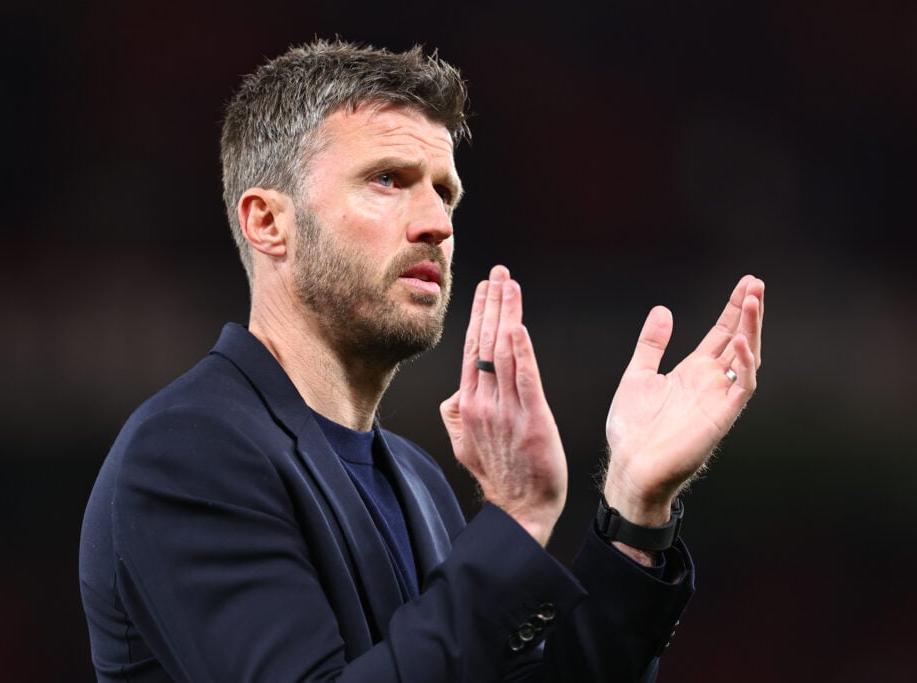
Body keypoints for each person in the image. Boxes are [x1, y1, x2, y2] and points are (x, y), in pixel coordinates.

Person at [79, 39, 765, 682]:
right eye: (387, 179)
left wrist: (632, 512)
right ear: (268, 222)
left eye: (445, 191)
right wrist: (516, 522)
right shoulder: (188, 452)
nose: (436, 221)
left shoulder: (418, 481)